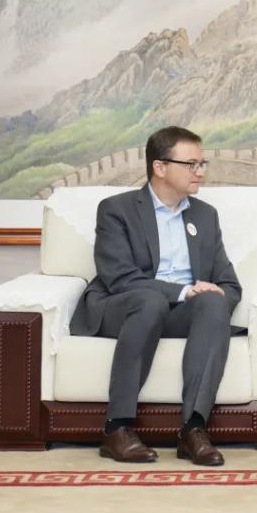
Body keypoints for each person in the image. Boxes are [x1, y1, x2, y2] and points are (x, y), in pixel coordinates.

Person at [70, 126, 241, 466]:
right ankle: (116, 428)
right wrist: (184, 290)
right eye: (191, 164)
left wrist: (212, 298)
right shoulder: (116, 210)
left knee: (213, 301)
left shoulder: (205, 216)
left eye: (202, 164)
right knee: (150, 301)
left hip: (175, 312)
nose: (200, 172)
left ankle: (193, 429)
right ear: (160, 167)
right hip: (123, 308)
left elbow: (229, 285)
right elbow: (119, 278)